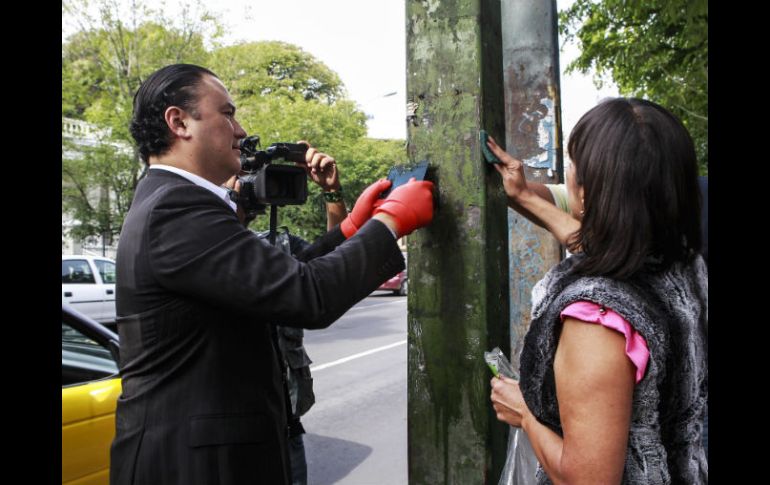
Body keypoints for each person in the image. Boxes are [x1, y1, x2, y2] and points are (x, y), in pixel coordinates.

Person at [110, 63, 434, 485]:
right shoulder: (176, 209)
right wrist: (390, 222)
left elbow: (281, 275)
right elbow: (307, 295)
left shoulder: (173, 202)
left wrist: (352, 227)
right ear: (179, 122)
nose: (240, 129)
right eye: (227, 113)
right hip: (192, 467)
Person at [485, 97, 707, 484]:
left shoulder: (597, 319)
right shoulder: (685, 268)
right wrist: (521, 194)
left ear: (585, 193)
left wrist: (525, 413)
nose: (567, 175)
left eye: (572, 165)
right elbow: (609, 249)